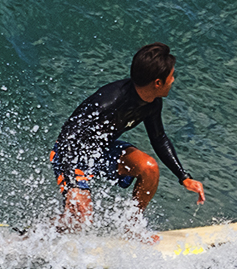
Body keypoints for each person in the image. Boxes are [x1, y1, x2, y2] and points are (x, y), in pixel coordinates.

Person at [50, 42, 205, 232]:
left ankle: (132, 226)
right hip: (72, 154)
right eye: (171, 76)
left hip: (103, 150)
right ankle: (34, 234)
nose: (173, 80)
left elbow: (159, 138)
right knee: (81, 220)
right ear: (158, 82)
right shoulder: (109, 101)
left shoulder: (152, 103)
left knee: (149, 168)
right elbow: (68, 137)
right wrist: (73, 184)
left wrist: (183, 177)